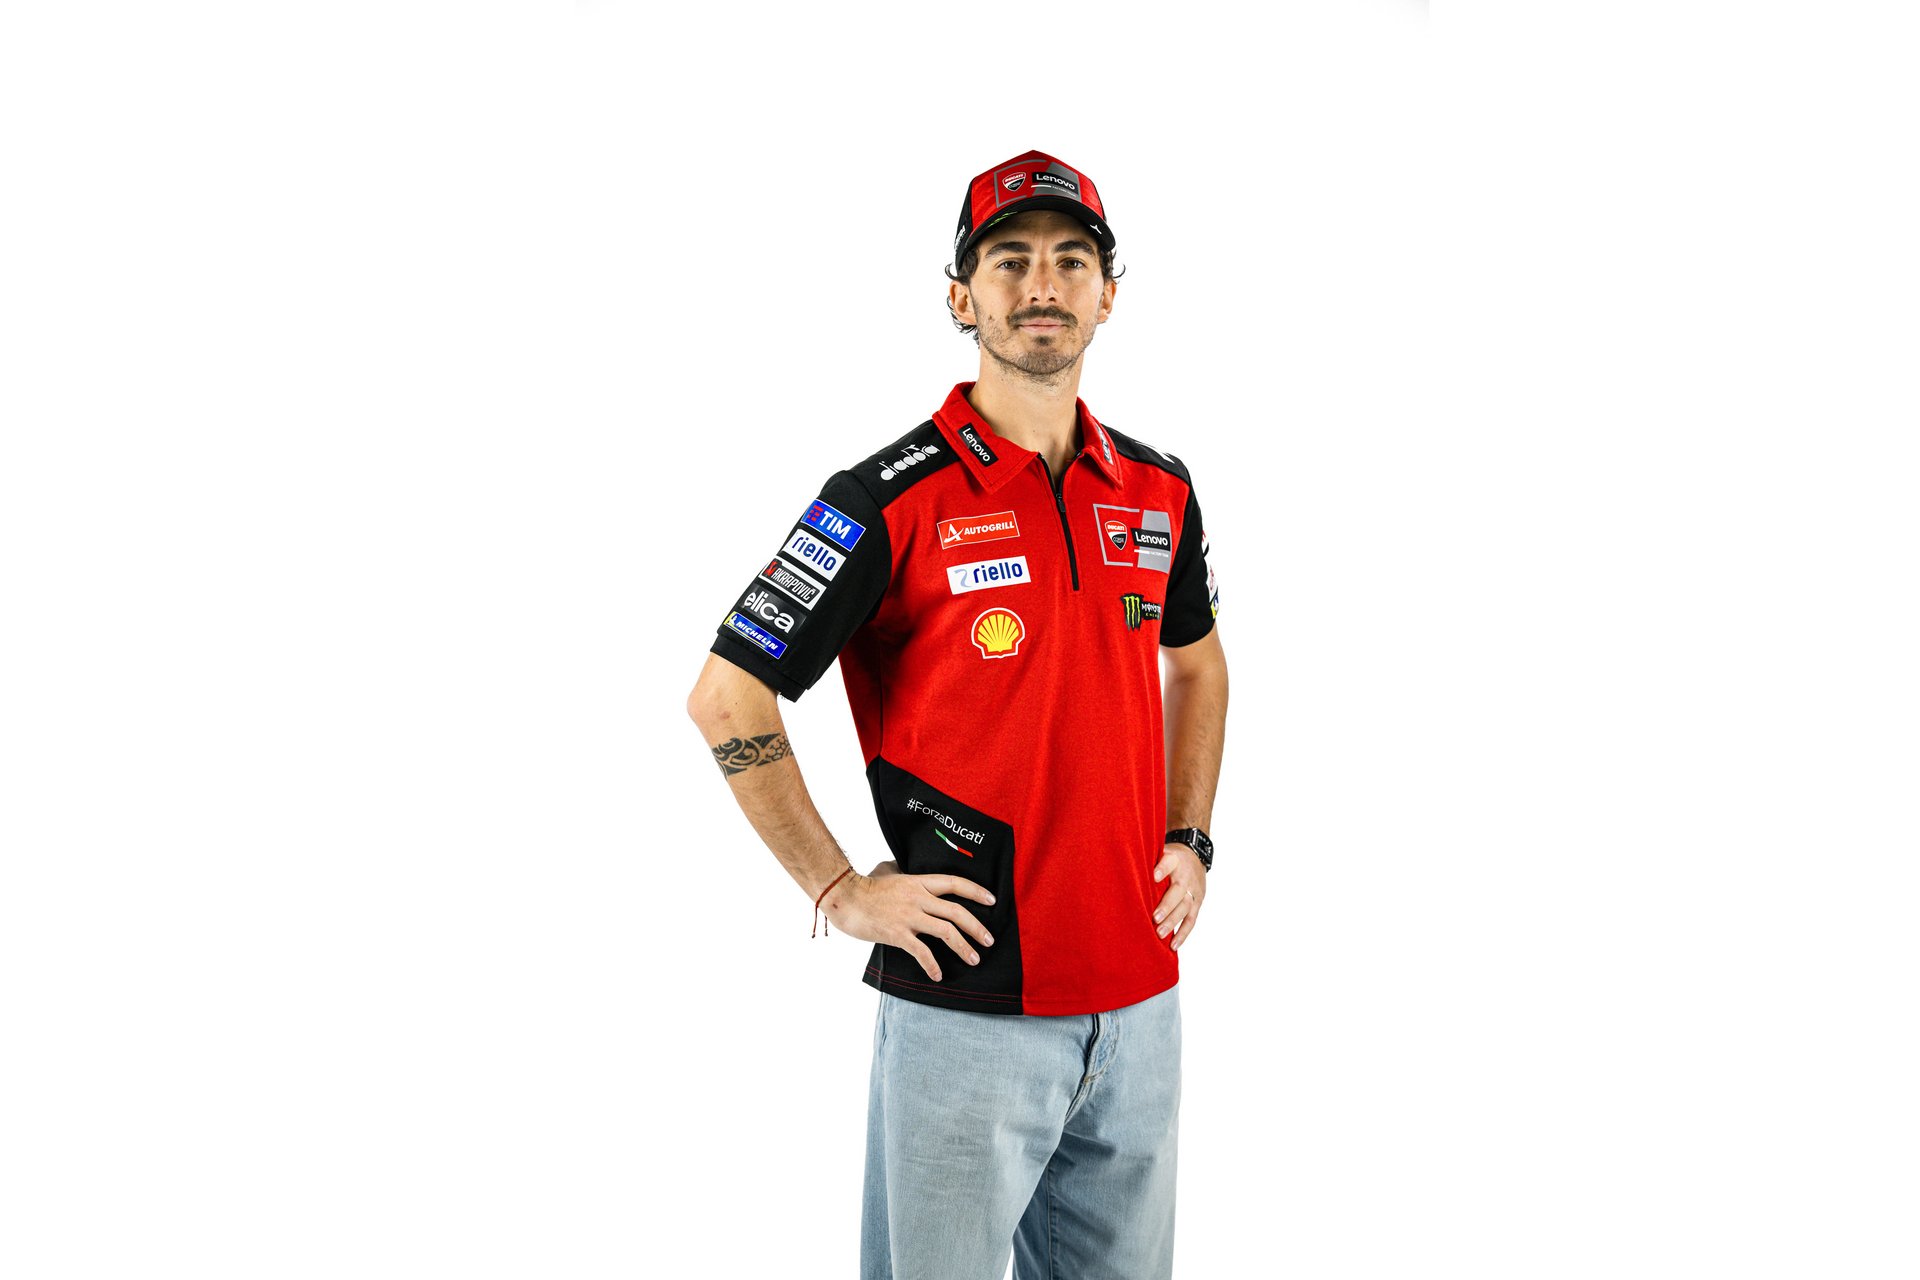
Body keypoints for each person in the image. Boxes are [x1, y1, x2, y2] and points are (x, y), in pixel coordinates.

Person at [685, 148, 1228, 1280]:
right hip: (965, 1002)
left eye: (1071, 260)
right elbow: (727, 693)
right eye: (1010, 260)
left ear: (1108, 296)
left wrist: (1190, 834)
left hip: (1140, 1000)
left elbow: (1199, 667)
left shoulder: (1160, 488)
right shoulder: (885, 497)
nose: (1043, 283)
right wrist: (840, 889)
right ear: (961, 296)